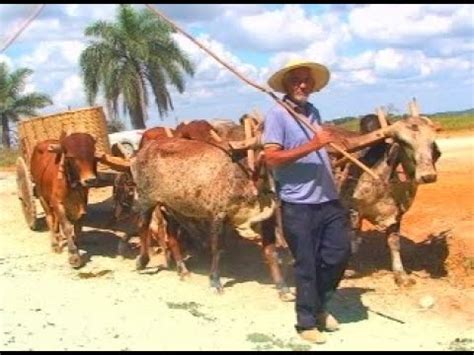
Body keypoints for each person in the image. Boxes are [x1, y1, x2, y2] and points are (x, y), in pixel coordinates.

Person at [262, 59, 351, 344]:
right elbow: (272, 158)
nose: (302, 85)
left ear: (313, 85)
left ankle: (321, 306)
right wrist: (314, 145)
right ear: (286, 85)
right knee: (307, 264)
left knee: (338, 254)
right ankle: (306, 323)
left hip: (328, 199)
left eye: (306, 80)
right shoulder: (277, 115)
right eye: (296, 80)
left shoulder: (313, 112)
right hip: (299, 204)